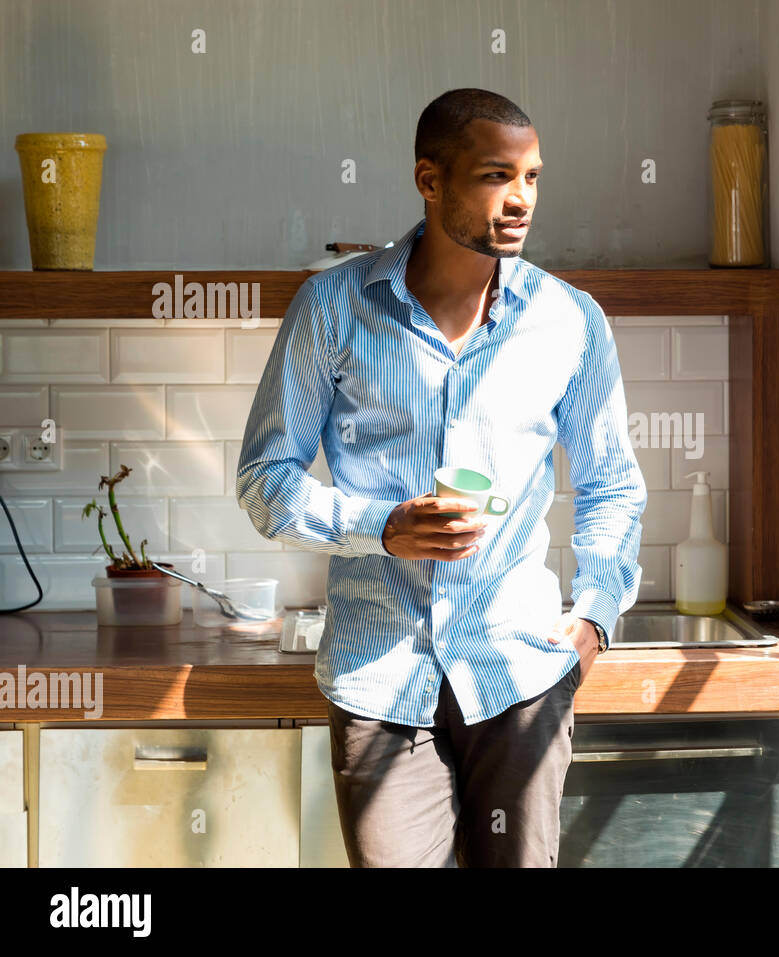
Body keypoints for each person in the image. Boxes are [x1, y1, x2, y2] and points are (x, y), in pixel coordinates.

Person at [235, 88, 647, 867]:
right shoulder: (333, 309)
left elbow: (611, 485)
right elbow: (265, 479)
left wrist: (593, 619)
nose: (522, 199)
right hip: (379, 678)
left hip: (519, 678)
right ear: (430, 179)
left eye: (532, 177)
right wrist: (381, 525)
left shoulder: (568, 320)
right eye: (498, 175)